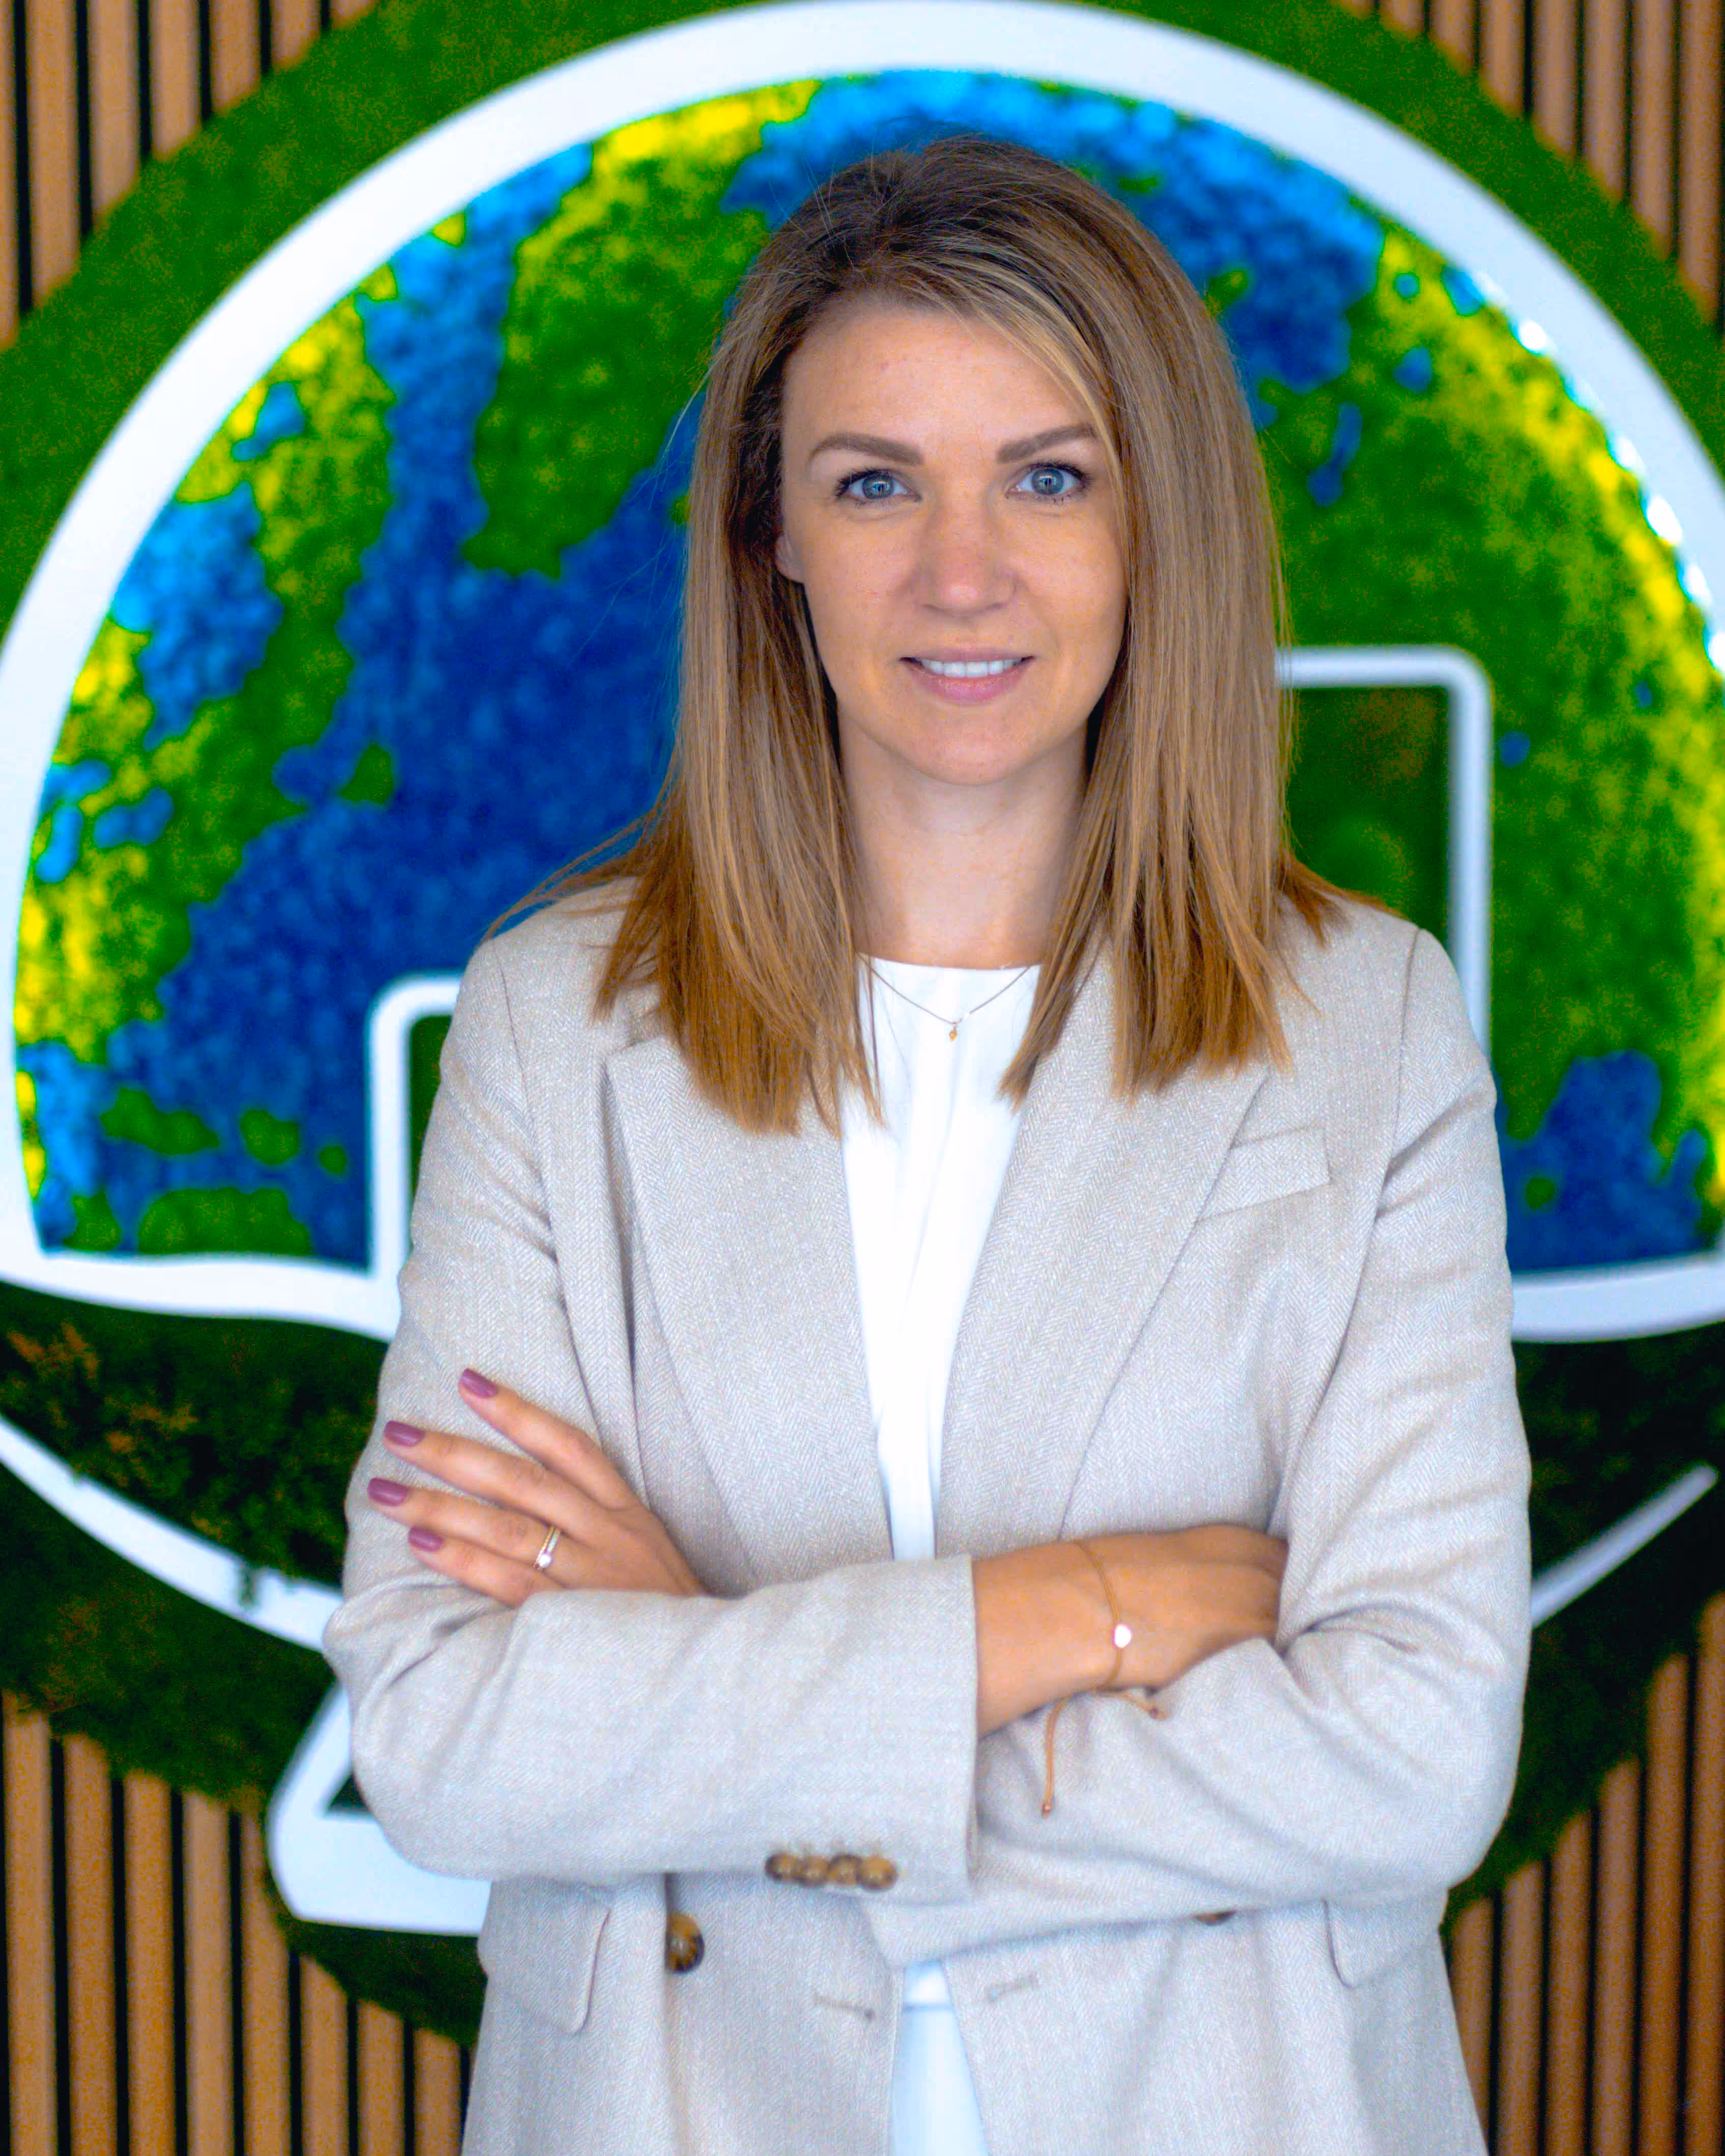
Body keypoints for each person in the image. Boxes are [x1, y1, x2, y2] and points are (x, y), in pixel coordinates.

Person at [322, 134, 1532, 2155]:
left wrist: (708, 1695)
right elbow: (449, 1744)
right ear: (766, 538)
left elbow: (1411, 1752)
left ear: (1159, 528)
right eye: (871, 480)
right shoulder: (552, 1028)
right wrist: (1070, 1618)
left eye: (1045, 477)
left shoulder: (1366, 1028)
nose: (956, 572)